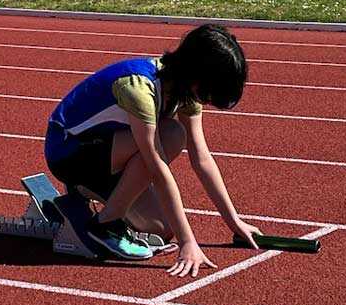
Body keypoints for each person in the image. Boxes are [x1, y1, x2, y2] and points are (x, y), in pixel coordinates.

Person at [44, 24, 260, 274]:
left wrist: (234, 221)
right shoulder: (139, 88)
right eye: (210, 93)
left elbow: (202, 158)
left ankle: (88, 193)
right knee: (172, 135)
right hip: (67, 154)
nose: (209, 101)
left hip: (107, 154)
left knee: (162, 228)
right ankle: (104, 224)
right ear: (195, 75)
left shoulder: (186, 92)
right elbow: (155, 165)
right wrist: (187, 242)